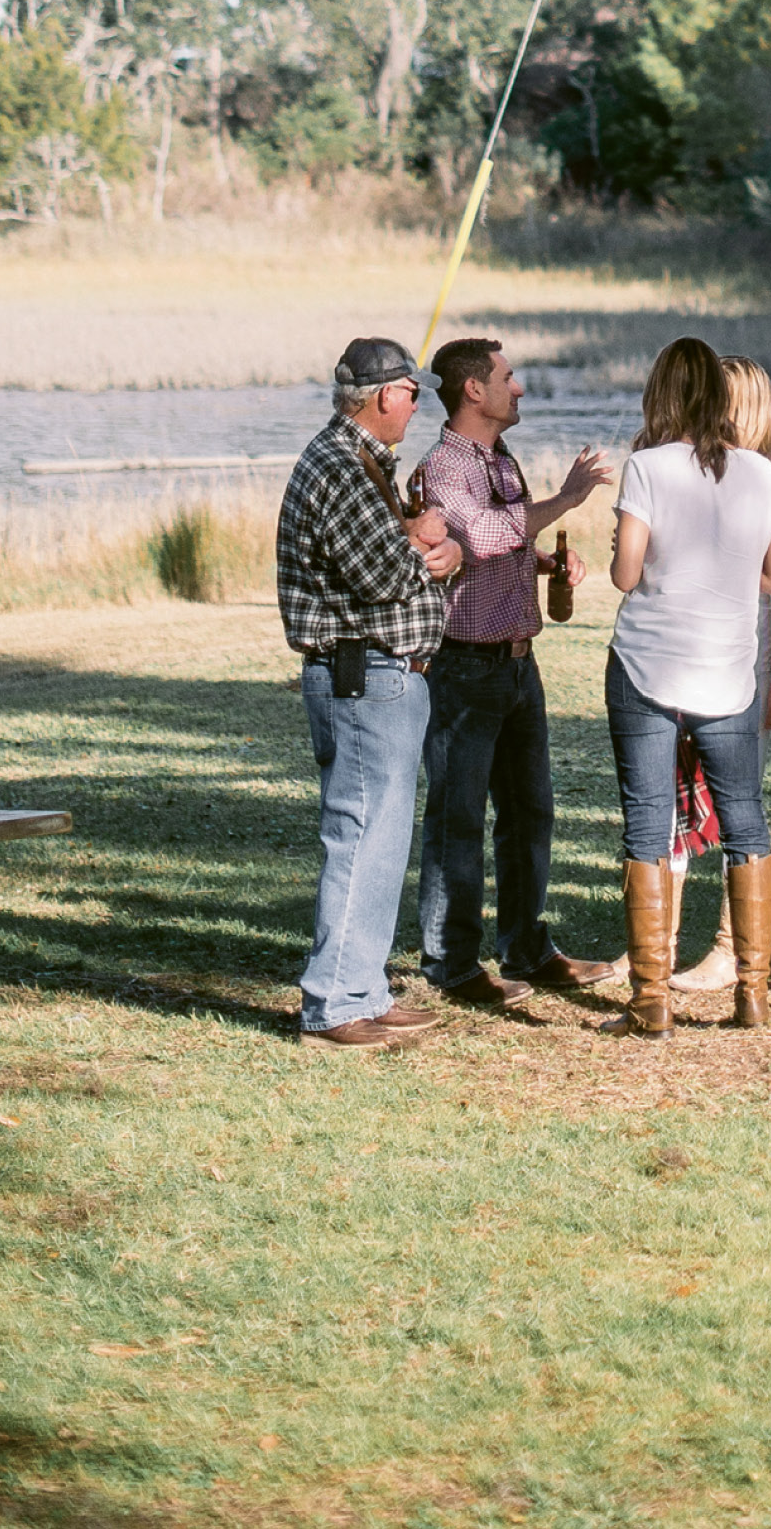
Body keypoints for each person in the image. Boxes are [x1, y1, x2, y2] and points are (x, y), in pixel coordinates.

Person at [410, 339, 613, 1010]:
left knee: (530, 814)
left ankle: (527, 947)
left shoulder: (500, 461)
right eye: (508, 377)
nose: (518, 389)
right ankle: (452, 964)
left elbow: (500, 549)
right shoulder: (445, 469)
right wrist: (566, 500)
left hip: (519, 666)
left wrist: (549, 565)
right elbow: (484, 533)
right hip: (465, 671)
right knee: (459, 818)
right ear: (474, 390)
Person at [606, 337, 771, 1035]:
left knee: (648, 821)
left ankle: (651, 1001)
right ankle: (752, 992)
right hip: (726, 668)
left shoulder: (646, 467)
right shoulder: (761, 474)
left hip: (648, 665)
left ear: (660, 396)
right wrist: (723, 572)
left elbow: (627, 575)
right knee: (745, 817)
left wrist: (659, 563)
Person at [275, 336, 462, 1050]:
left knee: (382, 838)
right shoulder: (338, 466)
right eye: (414, 392)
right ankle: (332, 1005)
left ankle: (364, 989)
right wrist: (423, 539)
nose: (419, 404)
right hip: (361, 676)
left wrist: (437, 549)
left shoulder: (364, 464)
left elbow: (401, 562)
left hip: (386, 675)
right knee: (359, 834)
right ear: (386, 396)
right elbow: (381, 576)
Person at [662, 357, 771, 1003]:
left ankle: (729, 951)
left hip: (742, 659)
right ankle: (657, 946)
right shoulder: (692, 468)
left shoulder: (763, 480)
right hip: (687, 653)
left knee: (740, 801)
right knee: (671, 795)